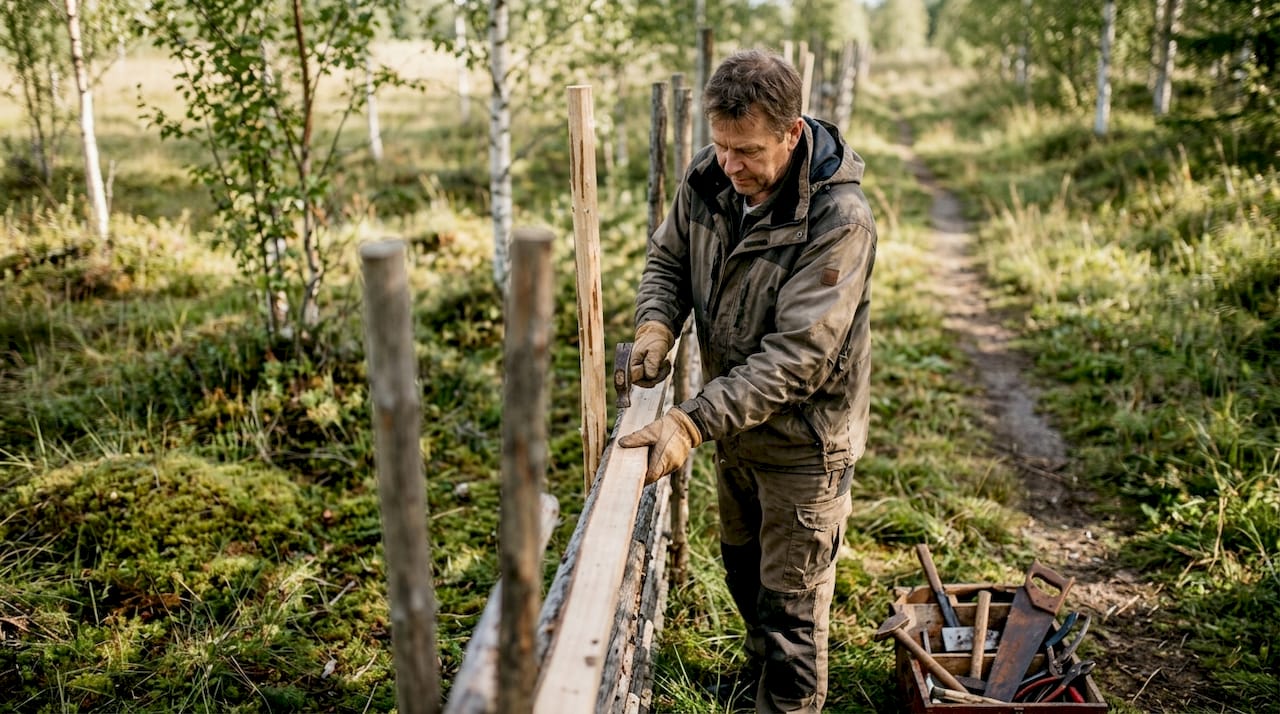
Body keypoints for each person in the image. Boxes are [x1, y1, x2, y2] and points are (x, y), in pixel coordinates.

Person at [617, 49, 877, 713]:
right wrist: (655, 324)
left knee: (791, 612)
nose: (730, 166)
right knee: (743, 574)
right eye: (720, 146)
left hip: (802, 444)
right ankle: (757, 676)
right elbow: (668, 257)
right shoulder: (711, 176)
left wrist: (690, 421)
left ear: (791, 134)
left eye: (749, 151)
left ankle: (788, 701)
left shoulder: (838, 220)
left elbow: (799, 355)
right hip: (735, 428)